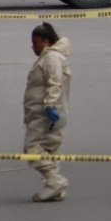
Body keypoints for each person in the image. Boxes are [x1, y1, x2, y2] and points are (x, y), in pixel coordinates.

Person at [23, 22, 72, 202]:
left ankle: (55, 181)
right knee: (49, 150)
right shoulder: (50, 57)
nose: (32, 47)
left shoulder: (52, 58)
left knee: (32, 149)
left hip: (47, 115)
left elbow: (54, 82)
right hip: (46, 113)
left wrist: (50, 105)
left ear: (46, 41)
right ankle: (55, 188)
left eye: (35, 43)